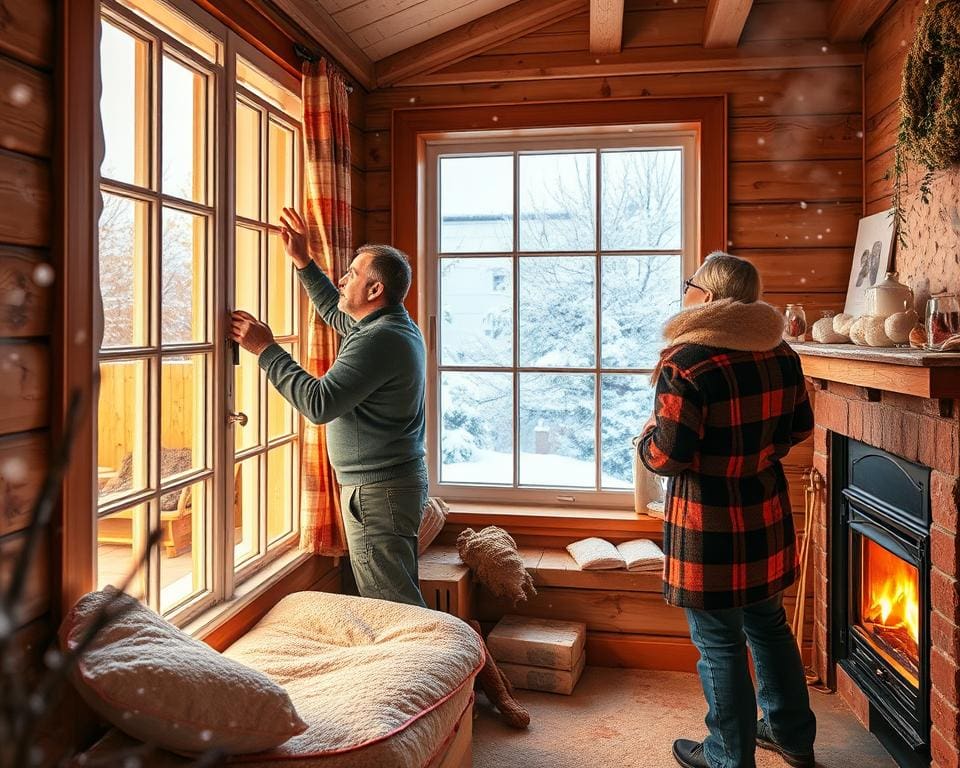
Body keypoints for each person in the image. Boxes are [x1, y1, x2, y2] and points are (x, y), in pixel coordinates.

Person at [637, 252, 816, 768]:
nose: (685, 291)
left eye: (690, 284)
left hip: (707, 519)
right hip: (764, 510)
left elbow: (669, 456)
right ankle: (792, 736)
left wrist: (645, 440)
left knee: (718, 642)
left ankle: (727, 755)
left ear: (709, 296)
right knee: (769, 625)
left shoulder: (685, 362)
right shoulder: (781, 352)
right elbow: (799, 429)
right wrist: (758, 453)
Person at [230, 207, 427, 608]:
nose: (342, 278)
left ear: (374, 290)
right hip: (389, 485)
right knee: (393, 599)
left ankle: (426, 667)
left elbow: (319, 404)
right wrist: (303, 261)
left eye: (352, 273)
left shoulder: (379, 339)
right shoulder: (389, 325)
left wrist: (266, 350)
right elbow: (336, 313)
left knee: (393, 607)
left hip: (378, 492)